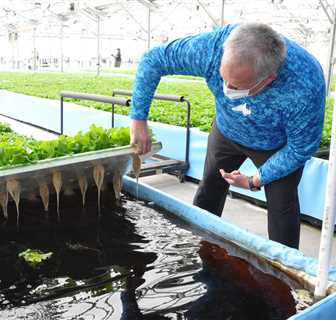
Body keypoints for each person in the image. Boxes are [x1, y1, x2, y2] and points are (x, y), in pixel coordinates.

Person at [129, 23, 326, 249]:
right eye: (223, 78)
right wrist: (138, 119)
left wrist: (255, 180)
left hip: (276, 146)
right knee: (209, 190)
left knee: (283, 209)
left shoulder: (305, 83)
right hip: (227, 131)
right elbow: (153, 60)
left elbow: (300, 148)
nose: (226, 89)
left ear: (268, 80)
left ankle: (286, 272)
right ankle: (200, 247)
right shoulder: (212, 48)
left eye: (236, 86)